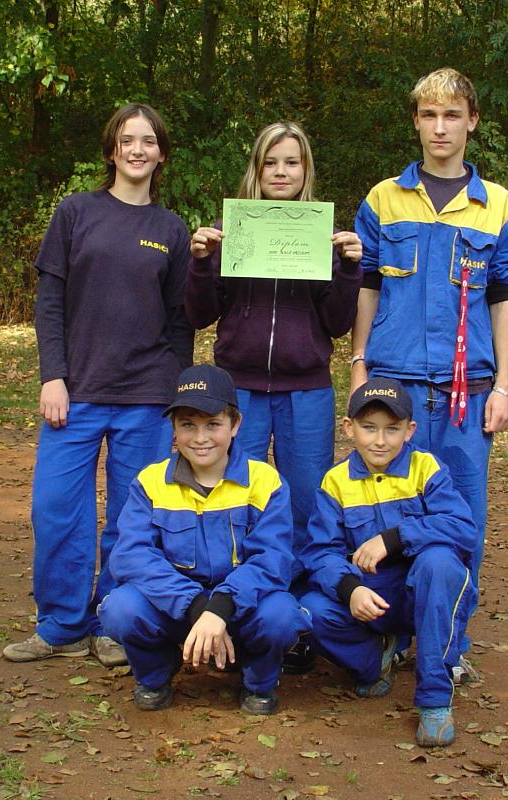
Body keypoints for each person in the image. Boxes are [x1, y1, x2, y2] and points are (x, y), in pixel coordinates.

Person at [2, 103, 193, 668]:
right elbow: (49, 304)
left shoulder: (171, 229)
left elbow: (180, 321)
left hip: (147, 396)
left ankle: (114, 621)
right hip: (76, 392)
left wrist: (176, 397)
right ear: (112, 149)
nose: (137, 149)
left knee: (133, 519)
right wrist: (53, 376)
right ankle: (61, 624)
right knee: (56, 508)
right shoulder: (75, 212)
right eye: (127, 139)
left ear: (161, 154)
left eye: (148, 141)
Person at [350, 68, 508, 681]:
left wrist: (504, 386)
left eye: (452, 115)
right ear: (416, 122)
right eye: (429, 115)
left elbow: (505, 297)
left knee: (461, 518)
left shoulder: (498, 206)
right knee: (385, 514)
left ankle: (448, 644)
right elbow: (366, 286)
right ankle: (391, 632)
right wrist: (358, 364)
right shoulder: (382, 199)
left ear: (472, 121)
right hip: (393, 389)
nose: (440, 127)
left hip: (465, 397)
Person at [185, 121, 363, 556]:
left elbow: (337, 323)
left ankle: (302, 586)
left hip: (306, 388)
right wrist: (202, 263)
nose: (281, 172)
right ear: (256, 169)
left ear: (306, 170)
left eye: (291, 162)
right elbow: (200, 314)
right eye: (270, 163)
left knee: (307, 499)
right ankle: (234, 581)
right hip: (239, 388)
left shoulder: (324, 236)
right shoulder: (229, 232)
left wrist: (349, 270)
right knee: (234, 493)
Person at [99, 364, 311, 713]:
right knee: (121, 608)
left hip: (241, 609)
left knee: (282, 615)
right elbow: (131, 556)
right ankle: (155, 674)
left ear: (235, 424)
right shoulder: (151, 482)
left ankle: (257, 681)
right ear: (173, 428)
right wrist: (197, 606)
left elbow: (273, 560)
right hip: (176, 608)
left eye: (213, 424)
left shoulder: (265, 481)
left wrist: (222, 606)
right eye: (188, 425)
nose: (200, 438)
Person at [299, 378, 480, 747]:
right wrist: (349, 589)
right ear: (349, 428)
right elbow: (320, 553)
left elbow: (463, 527)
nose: (380, 441)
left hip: (423, 594)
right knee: (311, 609)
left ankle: (434, 699)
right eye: (369, 428)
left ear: (409, 430)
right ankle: (375, 658)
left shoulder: (425, 468)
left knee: (440, 563)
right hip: (373, 596)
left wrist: (393, 538)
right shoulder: (335, 482)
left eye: (392, 429)